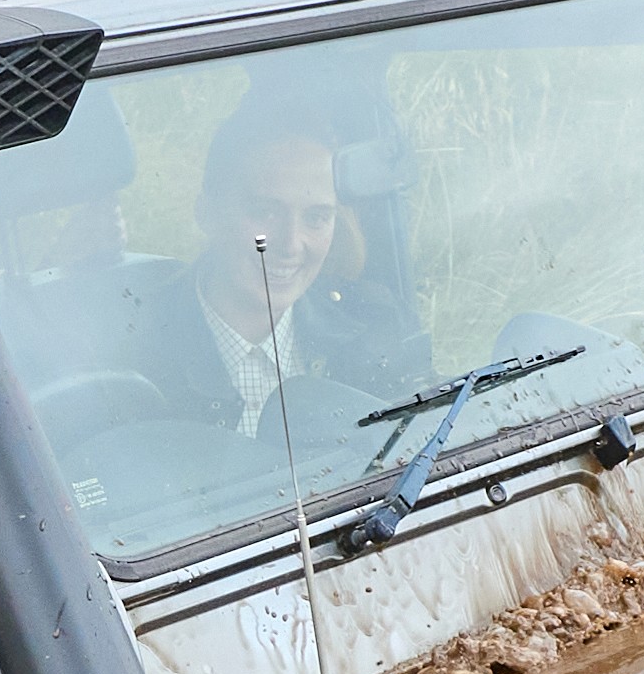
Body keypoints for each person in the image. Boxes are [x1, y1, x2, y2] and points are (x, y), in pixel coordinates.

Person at [119, 100, 425, 439]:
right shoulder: (132, 358)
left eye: (316, 217)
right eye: (265, 211)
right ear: (207, 212)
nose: (291, 244)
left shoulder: (374, 322)